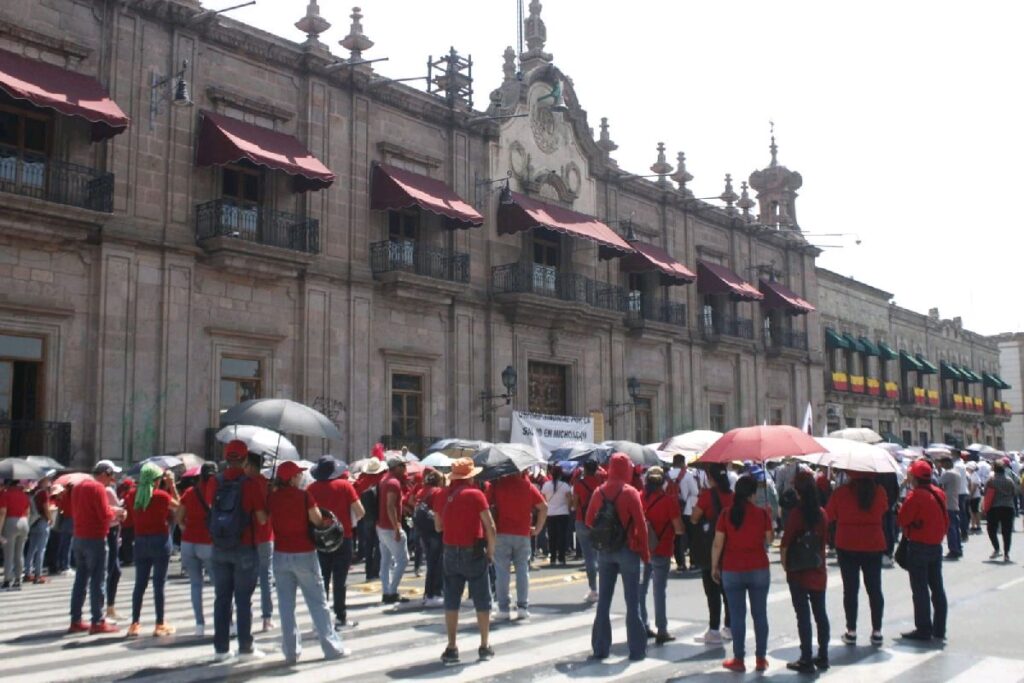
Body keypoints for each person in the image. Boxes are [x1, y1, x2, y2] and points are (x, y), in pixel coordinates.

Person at [267, 460, 349, 664]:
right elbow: (317, 520)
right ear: (292, 478)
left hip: (280, 554)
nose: (301, 476)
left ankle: (291, 652)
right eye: (298, 474)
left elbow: (264, 518)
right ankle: (331, 647)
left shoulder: (272, 498)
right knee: (317, 602)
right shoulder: (304, 496)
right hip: (303, 553)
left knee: (286, 606)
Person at [208, 439, 269, 661]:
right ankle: (245, 647)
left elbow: (211, 509)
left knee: (221, 598)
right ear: (244, 460)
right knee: (244, 600)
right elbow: (262, 519)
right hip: (244, 546)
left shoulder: (215, 481)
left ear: (226, 458)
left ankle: (221, 649)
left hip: (219, 546)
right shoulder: (250, 483)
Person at [586, 452, 650, 662]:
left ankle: (600, 648)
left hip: (605, 552)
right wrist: (645, 553)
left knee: (604, 601)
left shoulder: (599, 491)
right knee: (633, 603)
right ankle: (637, 650)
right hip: (628, 550)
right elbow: (641, 525)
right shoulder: (630, 492)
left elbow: (588, 521)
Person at [434, 458, 497, 665]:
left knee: (452, 600)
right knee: (482, 599)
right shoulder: (476, 495)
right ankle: (484, 645)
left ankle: (452, 647)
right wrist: (491, 551)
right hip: (474, 550)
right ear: (470, 476)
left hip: (451, 551)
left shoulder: (442, 494)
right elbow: (491, 526)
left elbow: (438, 527)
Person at [711, 474, 772, 673]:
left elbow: (718, 543)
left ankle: (738, 658)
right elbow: (769, 540)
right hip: (758, 568)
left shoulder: (727, 514)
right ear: (752, 494)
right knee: (760, 614)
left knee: (737, 617)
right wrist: (769, 517)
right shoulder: (762, 514)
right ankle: (761, 658)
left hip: (732, 569)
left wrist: (714, 566)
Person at [825, 470, 887, 645]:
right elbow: (883, 510)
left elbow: (830, 515)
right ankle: (877, 630)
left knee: (850, 590)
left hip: (847, 543)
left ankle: (851, 630)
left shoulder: (841, 492)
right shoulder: (880, 492)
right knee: (875, 588)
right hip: (873, 542)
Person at [67, 460, 125, 635]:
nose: (112, 479)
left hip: (78, 537)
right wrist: (117, 512)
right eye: (111, 475)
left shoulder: (78, 487)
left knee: (80, 579)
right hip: (95, 537)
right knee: (98, 579)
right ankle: (97, 620)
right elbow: (103, 514)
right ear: (105, 473)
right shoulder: (98, 488)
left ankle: (76, 619)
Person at [308, 455, 365, 629]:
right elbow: (360, 511)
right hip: (343, 537)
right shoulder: (345, 486)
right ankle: (341, 617)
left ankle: (321, 619)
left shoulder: (311, 488)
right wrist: (348, 519)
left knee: (322, 579)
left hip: (320, 539)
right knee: (340, 580)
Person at [781, 472, 830, 673]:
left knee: (803, 617)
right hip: (818, 570)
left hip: (798, 573)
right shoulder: (821, 513)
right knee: (820, 614)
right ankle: (824, 655)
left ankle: (806, 657)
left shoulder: (796, 515)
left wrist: (785, 565)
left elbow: (785, 544)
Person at [126, 463, 179, 637]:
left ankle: (134, 623)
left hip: (140, 540)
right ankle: (159, 623)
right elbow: (178, 505)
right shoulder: (162, 496)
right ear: (156, 481)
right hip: (160, 540)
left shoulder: (133, 495)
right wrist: (171, 485)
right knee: (159, 583)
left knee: (140, 584)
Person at [898, 459, 948, 641]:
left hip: (919, 545)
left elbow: (902, 520)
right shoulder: (939, 493)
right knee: (937, 588)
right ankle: (940, 628)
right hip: (936, 545)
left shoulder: (915, 496)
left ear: (915, 477)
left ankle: (923, 628)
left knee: (920, 589)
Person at [489, 470, 547, 620]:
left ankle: (503, 608)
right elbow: (543, 507)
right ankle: (522, 606)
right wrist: (538, 528)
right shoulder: (527, 485)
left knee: (502, 572)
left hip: (502, 532)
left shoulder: (497, 485)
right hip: (523, 533)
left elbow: (486, 506)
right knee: (523, 571)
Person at [639, 467, 682, 645]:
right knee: (659, 591)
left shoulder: (639, 498)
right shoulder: (669, 502)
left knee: (641, 590)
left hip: (641, 549)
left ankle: (643, 625)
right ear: (663, 483)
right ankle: (662, 629)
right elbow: (679, 528)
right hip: (662, 549)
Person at [691, 465, 733, 645]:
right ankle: (729, 627)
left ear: (711, 477)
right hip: (730, 547)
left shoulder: (708, 495)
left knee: (712, 591)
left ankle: (714, 630)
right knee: (728, 592)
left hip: (711, 546)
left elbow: (694, 518)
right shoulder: (732, 495)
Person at [177, 462, 216, 635]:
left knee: (195, 585)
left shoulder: (190, 492)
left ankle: (199, 624)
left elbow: (179, 517)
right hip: (208, 543)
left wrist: (186, 528)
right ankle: (227, 622)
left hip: (188, 543)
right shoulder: (217, 492)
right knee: (219, 586)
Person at [243, 453, 275, 631]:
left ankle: (244, 616)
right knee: (265, 578)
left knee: (245, 578)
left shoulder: (246, 484)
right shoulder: (267, 484)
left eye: (246, 465)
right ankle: (267, 618)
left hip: (248, 536)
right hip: (266, 536)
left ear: (252, 465)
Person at [377, 454, 410, 605]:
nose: (405, 468)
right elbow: (390, 506)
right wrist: (396, 527)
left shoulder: (384, 480)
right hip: (390, 527)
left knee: (385, 561)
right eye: (403, 466)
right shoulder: (393, 482)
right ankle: (392, 591)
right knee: (403, 560)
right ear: (397, 467)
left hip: (381, 526)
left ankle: (386, 591)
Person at [572, 460, 604, 602]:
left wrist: (571, 501)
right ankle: (602, 587)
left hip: (582, 520)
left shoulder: (579, 484)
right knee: (598, 555)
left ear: (584, 469)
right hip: (598, 521)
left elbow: (574, 505)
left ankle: (593, 589)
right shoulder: (601, 484)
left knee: (589, 558)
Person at [414, 469, 445, 607]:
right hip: (435, 531)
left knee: (431, 563)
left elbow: (410, 501)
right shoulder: (437, 492)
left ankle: (428, 593)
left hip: (423, 531)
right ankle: (435, 593)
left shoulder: (422, 491)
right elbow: (440, 510)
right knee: (437, 562)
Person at [983, 460, 1019, 562]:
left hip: (994, 507)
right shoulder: (1009, 480)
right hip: (1008, 507)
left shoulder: (990, 480)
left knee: (991, 529)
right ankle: (1006, 553)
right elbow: (1014, 493)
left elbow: (985, 492)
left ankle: (996, 548)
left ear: (994, 469)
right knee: (1006, 532)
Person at [670, 457, 699, 572]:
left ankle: (680, 564)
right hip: (687, 509)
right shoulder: (687, 475)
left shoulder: (667, 475)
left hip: (673, 510)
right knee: (692, 536)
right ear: (682, 463)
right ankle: (693, 563)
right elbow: (695, 492)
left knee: (677, 537)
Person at [0, 479, 30, 589]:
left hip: (10, 523)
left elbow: (3, 512)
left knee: (9, 554)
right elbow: (28, 511)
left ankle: (7, 580)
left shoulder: (5, 494)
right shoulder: (24, 495)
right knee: (19, 553)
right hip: (24, 522)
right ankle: (18, 580)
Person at [25, 474, 55, 584]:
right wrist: (51, 519)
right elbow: (45, 507)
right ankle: (38, 574)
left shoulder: (33, 492)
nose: (50, 481)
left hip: (33, 522)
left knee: (31, 548)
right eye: (48, 479)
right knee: (41, 549)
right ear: (44, 480)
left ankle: (28, 572)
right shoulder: (43, 493)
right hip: (42, 521)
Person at [541, 465, 572, 566]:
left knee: (552, 536)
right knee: (562, 536)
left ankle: (553, 558)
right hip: (563, 513)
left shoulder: (546, 485)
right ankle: (561, 557)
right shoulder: (565, 486)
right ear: (560, 475)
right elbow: (569, 500)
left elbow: (543, 499)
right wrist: (569, 509)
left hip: (550, 513)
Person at [937, 456, 962, 559]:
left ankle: (953, 550)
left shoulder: (948, 473)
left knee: (950, 528)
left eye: (942, 463)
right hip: (955, 502)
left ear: (946, 463)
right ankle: (958, 548)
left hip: (948, 503)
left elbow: (939, 483)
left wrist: (938, 472)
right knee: (955, 527)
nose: (941, 466)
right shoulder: (957, 473)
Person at [966, 462, 982, 534]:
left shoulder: (974, 476)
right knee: (973, 511)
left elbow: (974, 487)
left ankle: (976, 526)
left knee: (974, 511)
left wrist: (970, 496)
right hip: (974, 496)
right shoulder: (972, 475)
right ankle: (974, 525)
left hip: (975, 496)